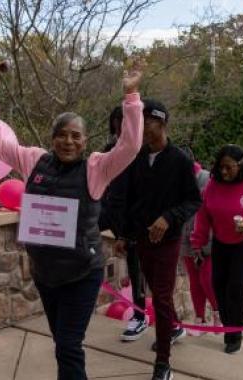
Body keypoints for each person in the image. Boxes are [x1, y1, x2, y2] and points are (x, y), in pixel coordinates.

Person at [0, 60, 144, 380]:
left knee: (68, 346)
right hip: (46, 274)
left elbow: (130, 145)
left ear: (84, 140)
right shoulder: (34, 160)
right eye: (62, 135)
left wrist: (132, 95)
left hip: (82, 273)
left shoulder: (96, 168)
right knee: (61, 343)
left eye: (76, 136)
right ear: (53, 139)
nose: (69, 141)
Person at [117, 99, 203, 380]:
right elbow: (129, 200)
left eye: (146, 122)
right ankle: (175, 327)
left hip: (168, 240)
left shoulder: (180, 159)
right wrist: (123, 234)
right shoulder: (136, 158)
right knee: (156, 292)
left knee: (162, 298)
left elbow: (193, 200)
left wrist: (169, 218)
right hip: (141, 238)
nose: (141, 128)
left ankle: (163, 362)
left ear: (162, 123)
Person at [191, 144, 243, 354]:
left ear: (241, 164)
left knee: (235, 287)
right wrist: (197, 243)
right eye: (220, 167)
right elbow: (203, 217)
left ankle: (234, 335)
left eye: (228, 167)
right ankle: (231, 327)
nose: (223, 172)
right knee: (218, 286)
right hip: (221, 242)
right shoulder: (212, 186)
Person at [99, 106, 149, 342]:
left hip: (137, 223)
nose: (122, 127)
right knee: (78, 234)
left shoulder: (144, 154)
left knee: (141, 269)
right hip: (111, 215)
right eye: (118, 122)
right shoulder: (108, 152)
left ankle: (142, 316)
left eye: (127, 121)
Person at [180, 150, 220, 337]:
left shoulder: (206, 178)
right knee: (194, 280)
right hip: (185, 236)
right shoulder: (176, 179)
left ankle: (218, 315)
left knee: (206, 278)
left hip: (206, 236)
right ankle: (199, 319)